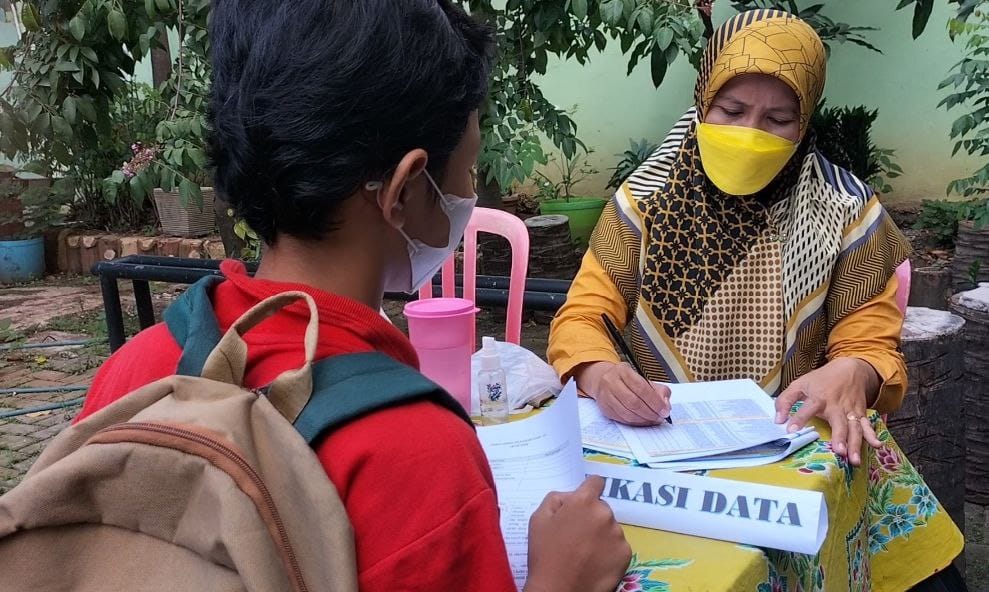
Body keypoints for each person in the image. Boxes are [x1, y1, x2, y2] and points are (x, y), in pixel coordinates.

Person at [76, 1, 631, 591]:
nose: (469, 193)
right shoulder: (416, 453)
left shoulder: (136, 371)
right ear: (403, 190)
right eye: (466, 170)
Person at [547, 10, 910, 469]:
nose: (749, 133)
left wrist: (853, 370)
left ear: (804, 124)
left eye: (778, 118)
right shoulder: (644, 201)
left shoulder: (847, 210)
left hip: (798, 440)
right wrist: (599, 374)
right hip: (659, 437)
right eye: (732, 111)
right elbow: (582, 316)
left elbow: (871, 341)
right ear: (702, 103)